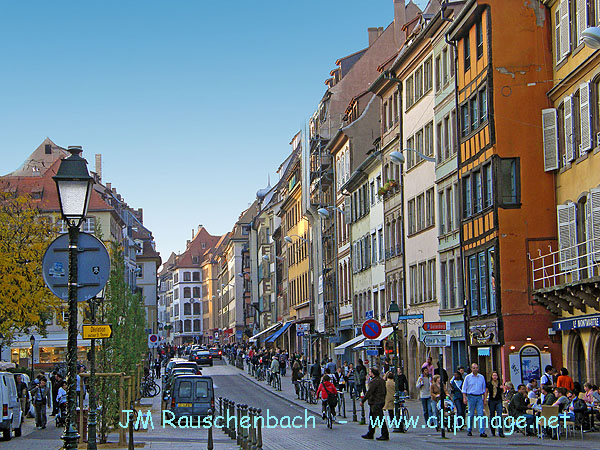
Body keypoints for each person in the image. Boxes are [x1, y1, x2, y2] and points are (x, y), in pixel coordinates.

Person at [361, 368, 389, 441]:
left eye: (370, 372)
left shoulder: (373, 382)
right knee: (372, 418)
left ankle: (385, 434)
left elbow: (369, 392)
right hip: (380, 401)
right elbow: (385, 391)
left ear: (373, 373)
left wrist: (363, 400)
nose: (369, 373)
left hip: (375, 402)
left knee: (380, 418)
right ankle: (370, 433)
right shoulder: (382, 381)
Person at [462, 362, 487, 437]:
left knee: (480, 414)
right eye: (474, 368)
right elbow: (464, 388)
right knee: (471, 414)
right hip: (471, 396)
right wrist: (464, 397)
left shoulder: (481, 377)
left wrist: (484, 399)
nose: (475, 369)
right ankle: (469, 429)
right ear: (471, 368)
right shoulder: (468, 377)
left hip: (479, 396)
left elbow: (484, 389)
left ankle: (482, 431)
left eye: (476, 368)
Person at [487, 371, 504, 437]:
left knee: (499, 415)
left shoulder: (499, 384)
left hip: (498, 400)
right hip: (491, 400)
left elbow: (502, 393)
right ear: (491, 376)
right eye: (493, 375)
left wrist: (502, 389)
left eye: (496, 375)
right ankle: (492, 430)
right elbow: (486, 391)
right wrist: (485, 399)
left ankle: (501, 432)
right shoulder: (489, 384)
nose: (495, 377)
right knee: (492, 416)